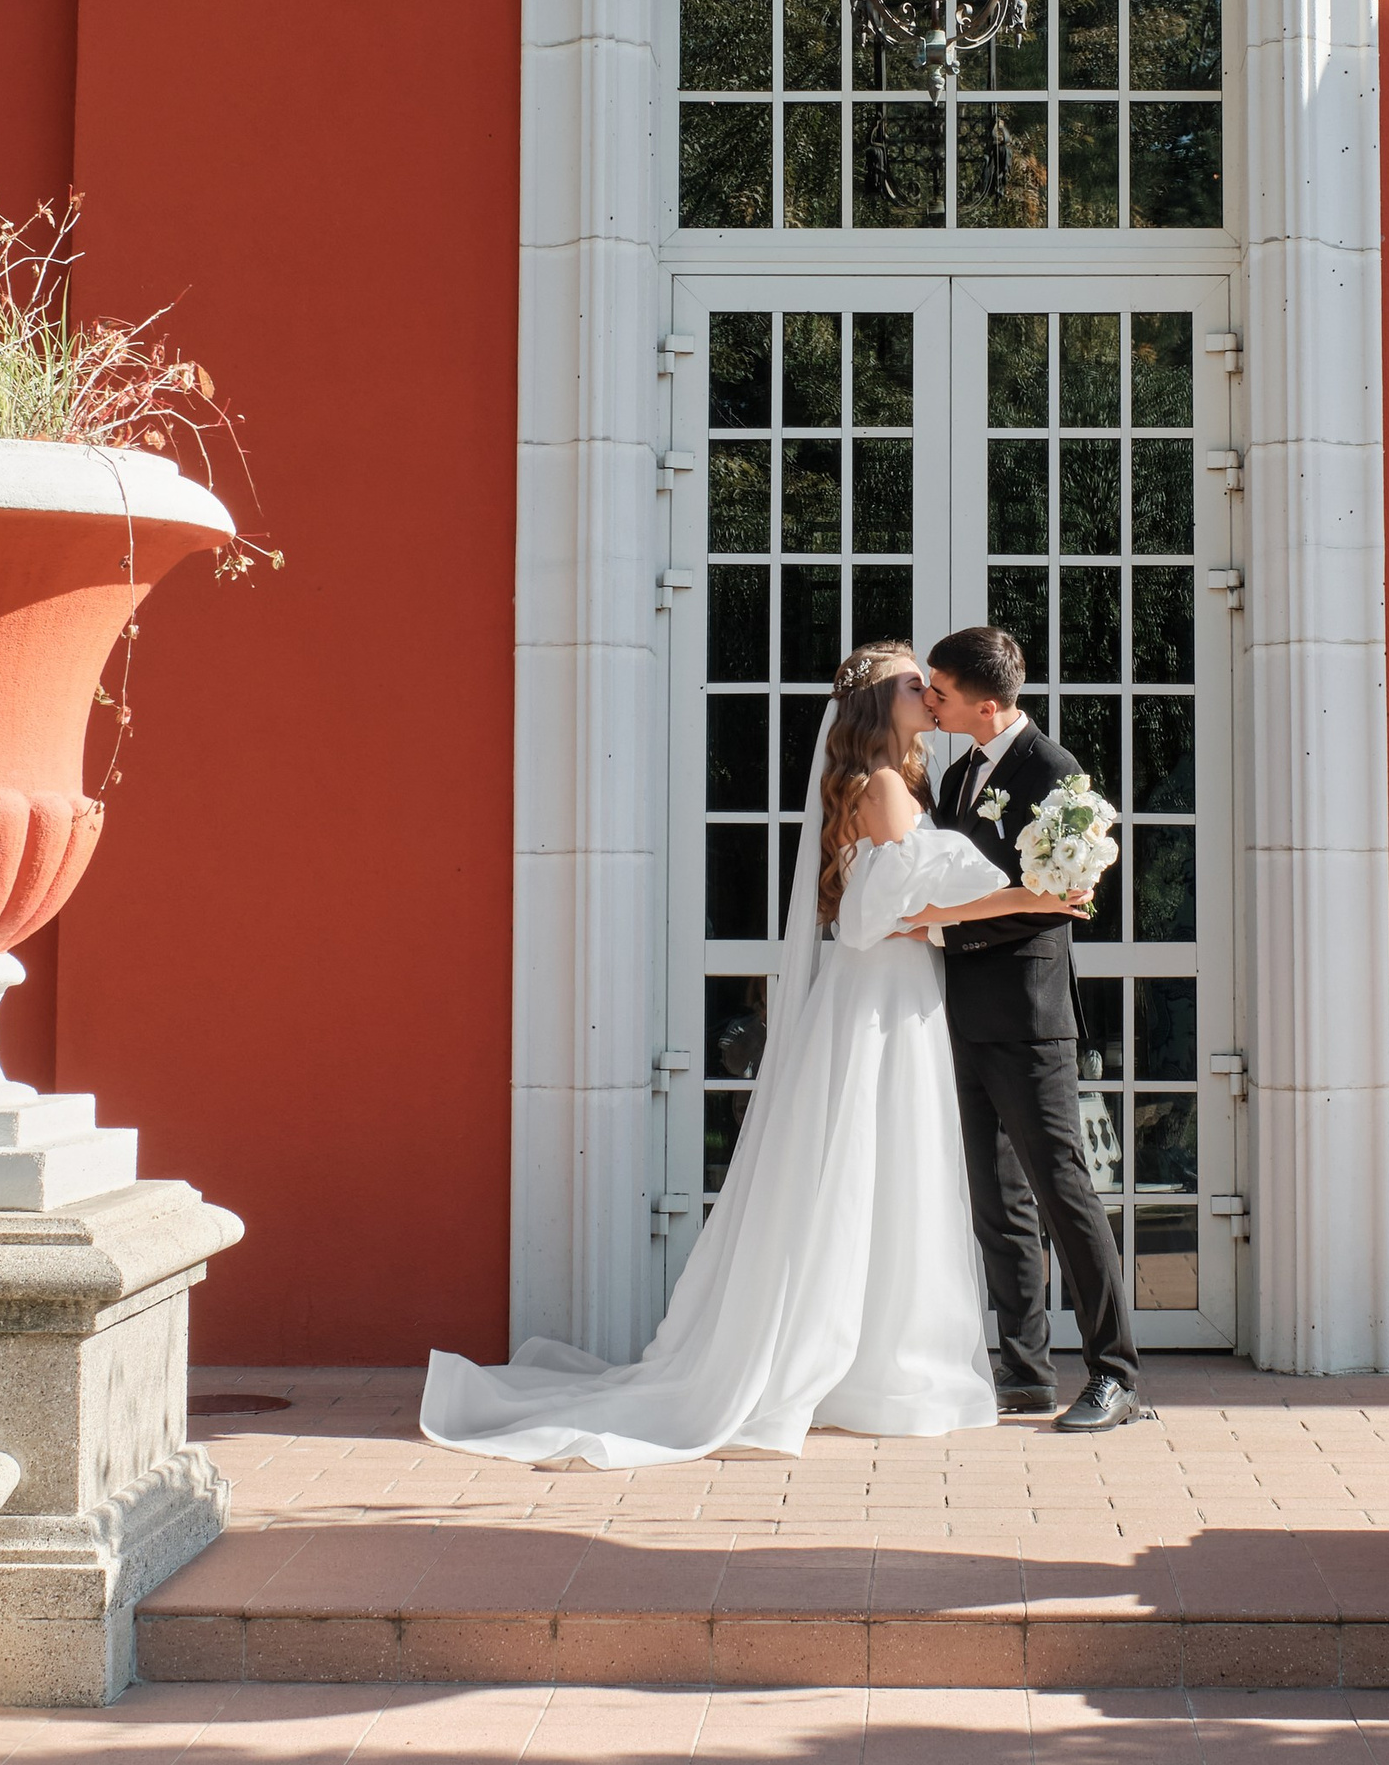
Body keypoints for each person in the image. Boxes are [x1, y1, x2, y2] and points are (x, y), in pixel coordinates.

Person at [417, 642, 1084, 1468]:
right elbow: (886, 913)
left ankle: (883, 1362)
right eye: (918, 685)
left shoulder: (906, 781)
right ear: (885, 704)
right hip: (881, 996)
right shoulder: (881, 784)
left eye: (935, 685)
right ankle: (876, 1370)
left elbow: (910, 899)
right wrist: (1034, 893)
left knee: (884, 1171)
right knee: (873, 1169)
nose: (932, 694)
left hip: (897, 994)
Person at [906, 626, 1149, 1435]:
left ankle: (1115, 1375)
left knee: (1063, 1193)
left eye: (938, 691)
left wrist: (942, 928)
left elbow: (1057, 902)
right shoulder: (960, 772)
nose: (928, 700)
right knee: (997, 1199)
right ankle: (1023, 1369)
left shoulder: (1058, 777)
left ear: (988, 703)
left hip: (1030, 1019)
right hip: (963, 1015)